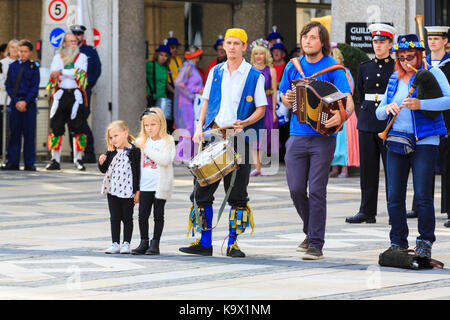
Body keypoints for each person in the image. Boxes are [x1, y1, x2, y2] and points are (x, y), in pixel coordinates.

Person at [179, 28, 267, 258]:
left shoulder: (255, 75)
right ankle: (205, 242)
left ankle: (233, 244)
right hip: (215, 134)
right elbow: (206, 100)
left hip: (241, 137)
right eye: (228, 43)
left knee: (237, 191)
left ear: (244, 47)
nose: (232, 47)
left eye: (237, 43)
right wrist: (199, 127)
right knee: (202, 188)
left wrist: (245, 122)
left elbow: (261, 109)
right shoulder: (216, 71)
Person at [280, 21, 354, 260]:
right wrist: (287, 97)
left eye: (312, 37)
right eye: (304, 37)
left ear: (322, 42)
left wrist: (341, 116)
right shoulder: (293, 67)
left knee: (318, 191)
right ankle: (310, 231)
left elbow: (348, 101)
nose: (307, 41)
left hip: (323, 137)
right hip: (296, 135)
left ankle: (316, 244)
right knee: (296, 189)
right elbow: (284, 98)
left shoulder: (334, 68)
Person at [375, 33, 450, 258]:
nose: (407, 61)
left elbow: (448, 99)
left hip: (425, 141)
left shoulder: (433, 73)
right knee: (394, 196)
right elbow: (379, 112)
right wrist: (386, 109)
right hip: (396, 140)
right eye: (402, 57)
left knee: (423, 195)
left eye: (411, 56)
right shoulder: (393, 78)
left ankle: (425, 241)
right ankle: (397, 241)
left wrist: (421, 104)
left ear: (419, 55)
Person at [345, 23, 396, 224]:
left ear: (390, 44)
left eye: (382, 42)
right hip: (367, 121)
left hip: (388, 123)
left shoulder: (396, 67)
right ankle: (367, 210)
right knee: (367, 170)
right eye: (375, 42)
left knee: (393, 170)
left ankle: (395, 211)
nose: (378, 46)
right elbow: (359, 95)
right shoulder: (365, 67)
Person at [132, 108, 175, 255]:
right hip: (144, 186)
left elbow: (165, 160)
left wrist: (147, 149)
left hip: (160, 185)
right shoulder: (141, 141)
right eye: (146, 125)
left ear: (161, 124)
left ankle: (155, 243)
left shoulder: (168, 141)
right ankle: (144, 241)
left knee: (158, 215)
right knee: (142, 214)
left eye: (153, 125)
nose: (149, 128)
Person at [45, 33, 88, 171]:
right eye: (71, 41)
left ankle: (78, 159)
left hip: (76, 96)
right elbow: (52, 73)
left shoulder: (82, 57)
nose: (74, 44)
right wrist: (69, 72)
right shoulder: (57, 57)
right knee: (56, 128)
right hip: (60, 95)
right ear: (64, 43)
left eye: (75, 41)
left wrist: (62, 71)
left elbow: (81, 73)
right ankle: (55, 160)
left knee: (78, 128)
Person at [99, 120, 141, 254]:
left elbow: (138, 172)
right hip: (113, 190)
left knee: (127, 218)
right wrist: (101, 163)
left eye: (116, 136)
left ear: (125, 133)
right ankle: (115, 243)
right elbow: (105, 169)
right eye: (111, 138)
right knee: (114, 217)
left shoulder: (135, 151)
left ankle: (126, 243)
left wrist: (137, 190)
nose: (113, 140)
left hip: (128, 191)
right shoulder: (111, 151)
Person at [423, 26, 450, 228]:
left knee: (448, 167)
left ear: (445, 41)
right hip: (426, 119)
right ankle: (420, 206)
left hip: (447, 120)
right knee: (423, 166)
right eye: (430, 38)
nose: (432, 42)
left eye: (436, 38)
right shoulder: (422, 63)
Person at [1, 40, 40, 171]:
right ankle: (13, 162)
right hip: (16, 103)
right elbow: (9, 85)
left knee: (29, 133)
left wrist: (25, 101)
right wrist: (17, 101)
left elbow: (34, 87)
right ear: (18, 51)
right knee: (15, 133)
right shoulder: (13, 66)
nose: (23, 54)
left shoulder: (34, 67)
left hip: (29, 104)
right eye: (21, 51)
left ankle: (29, 162)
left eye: (25, 52)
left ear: (30, 52)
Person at [70, 25, 102, 163]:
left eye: (79, 34)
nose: (77, 36)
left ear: (83, 36)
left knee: (82, 120)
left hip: (83, 91)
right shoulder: (68, 51)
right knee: (71, 121)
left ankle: (88, 152)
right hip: (69, 90)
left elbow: (97, 69)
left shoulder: (90, 51)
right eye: (75, 34)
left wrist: (88, 84)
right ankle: (74, 153)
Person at [329, 44, 358, 179]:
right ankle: (334, 168)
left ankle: (345, 168)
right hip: (331, 108)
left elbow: (349, 90)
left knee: (344, 142)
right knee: (333, 141)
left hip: (344, 108)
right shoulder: (327, 72)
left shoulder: (344, 72)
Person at [249, 38, 278, 176]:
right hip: (253, 105)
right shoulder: (249, 70)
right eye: (256, 54)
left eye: (261, 53)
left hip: (267, 105)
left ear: (266, 55)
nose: (258, 56)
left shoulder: (271, 70)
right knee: (254, 134)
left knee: (266, 135)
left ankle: (262, 165)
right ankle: (257, 167)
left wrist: (273, 112)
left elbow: (274, 91)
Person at [173, 46, 204, 162]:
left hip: (191, 102)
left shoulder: (191, 67)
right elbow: (178, 82)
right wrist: (192, 93)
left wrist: (197, 90)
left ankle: (187, 155)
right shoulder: (188, 66)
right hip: (186, 102)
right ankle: (182, 155)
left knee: (192, 128)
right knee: (188, 128)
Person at [146, 44, 174, 131]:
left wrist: (176, 93)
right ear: (157, 55)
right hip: (152, 99)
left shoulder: (165, 67)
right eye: (161, 55)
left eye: (166, 56)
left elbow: (165, 83)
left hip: (163, 99)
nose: (163, 57)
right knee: (153, 124)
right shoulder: (150, 65)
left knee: (163, 124)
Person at [0, 39, 19, 158]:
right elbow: (2, 83)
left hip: (18, 101)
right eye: (12, 47)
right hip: (3, 101)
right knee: (3, 131)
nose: (15, 50)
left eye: (17, 48)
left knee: (14, 131)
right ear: (8, 49)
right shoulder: (2, 63)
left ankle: (12, 156)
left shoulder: (23, 63)